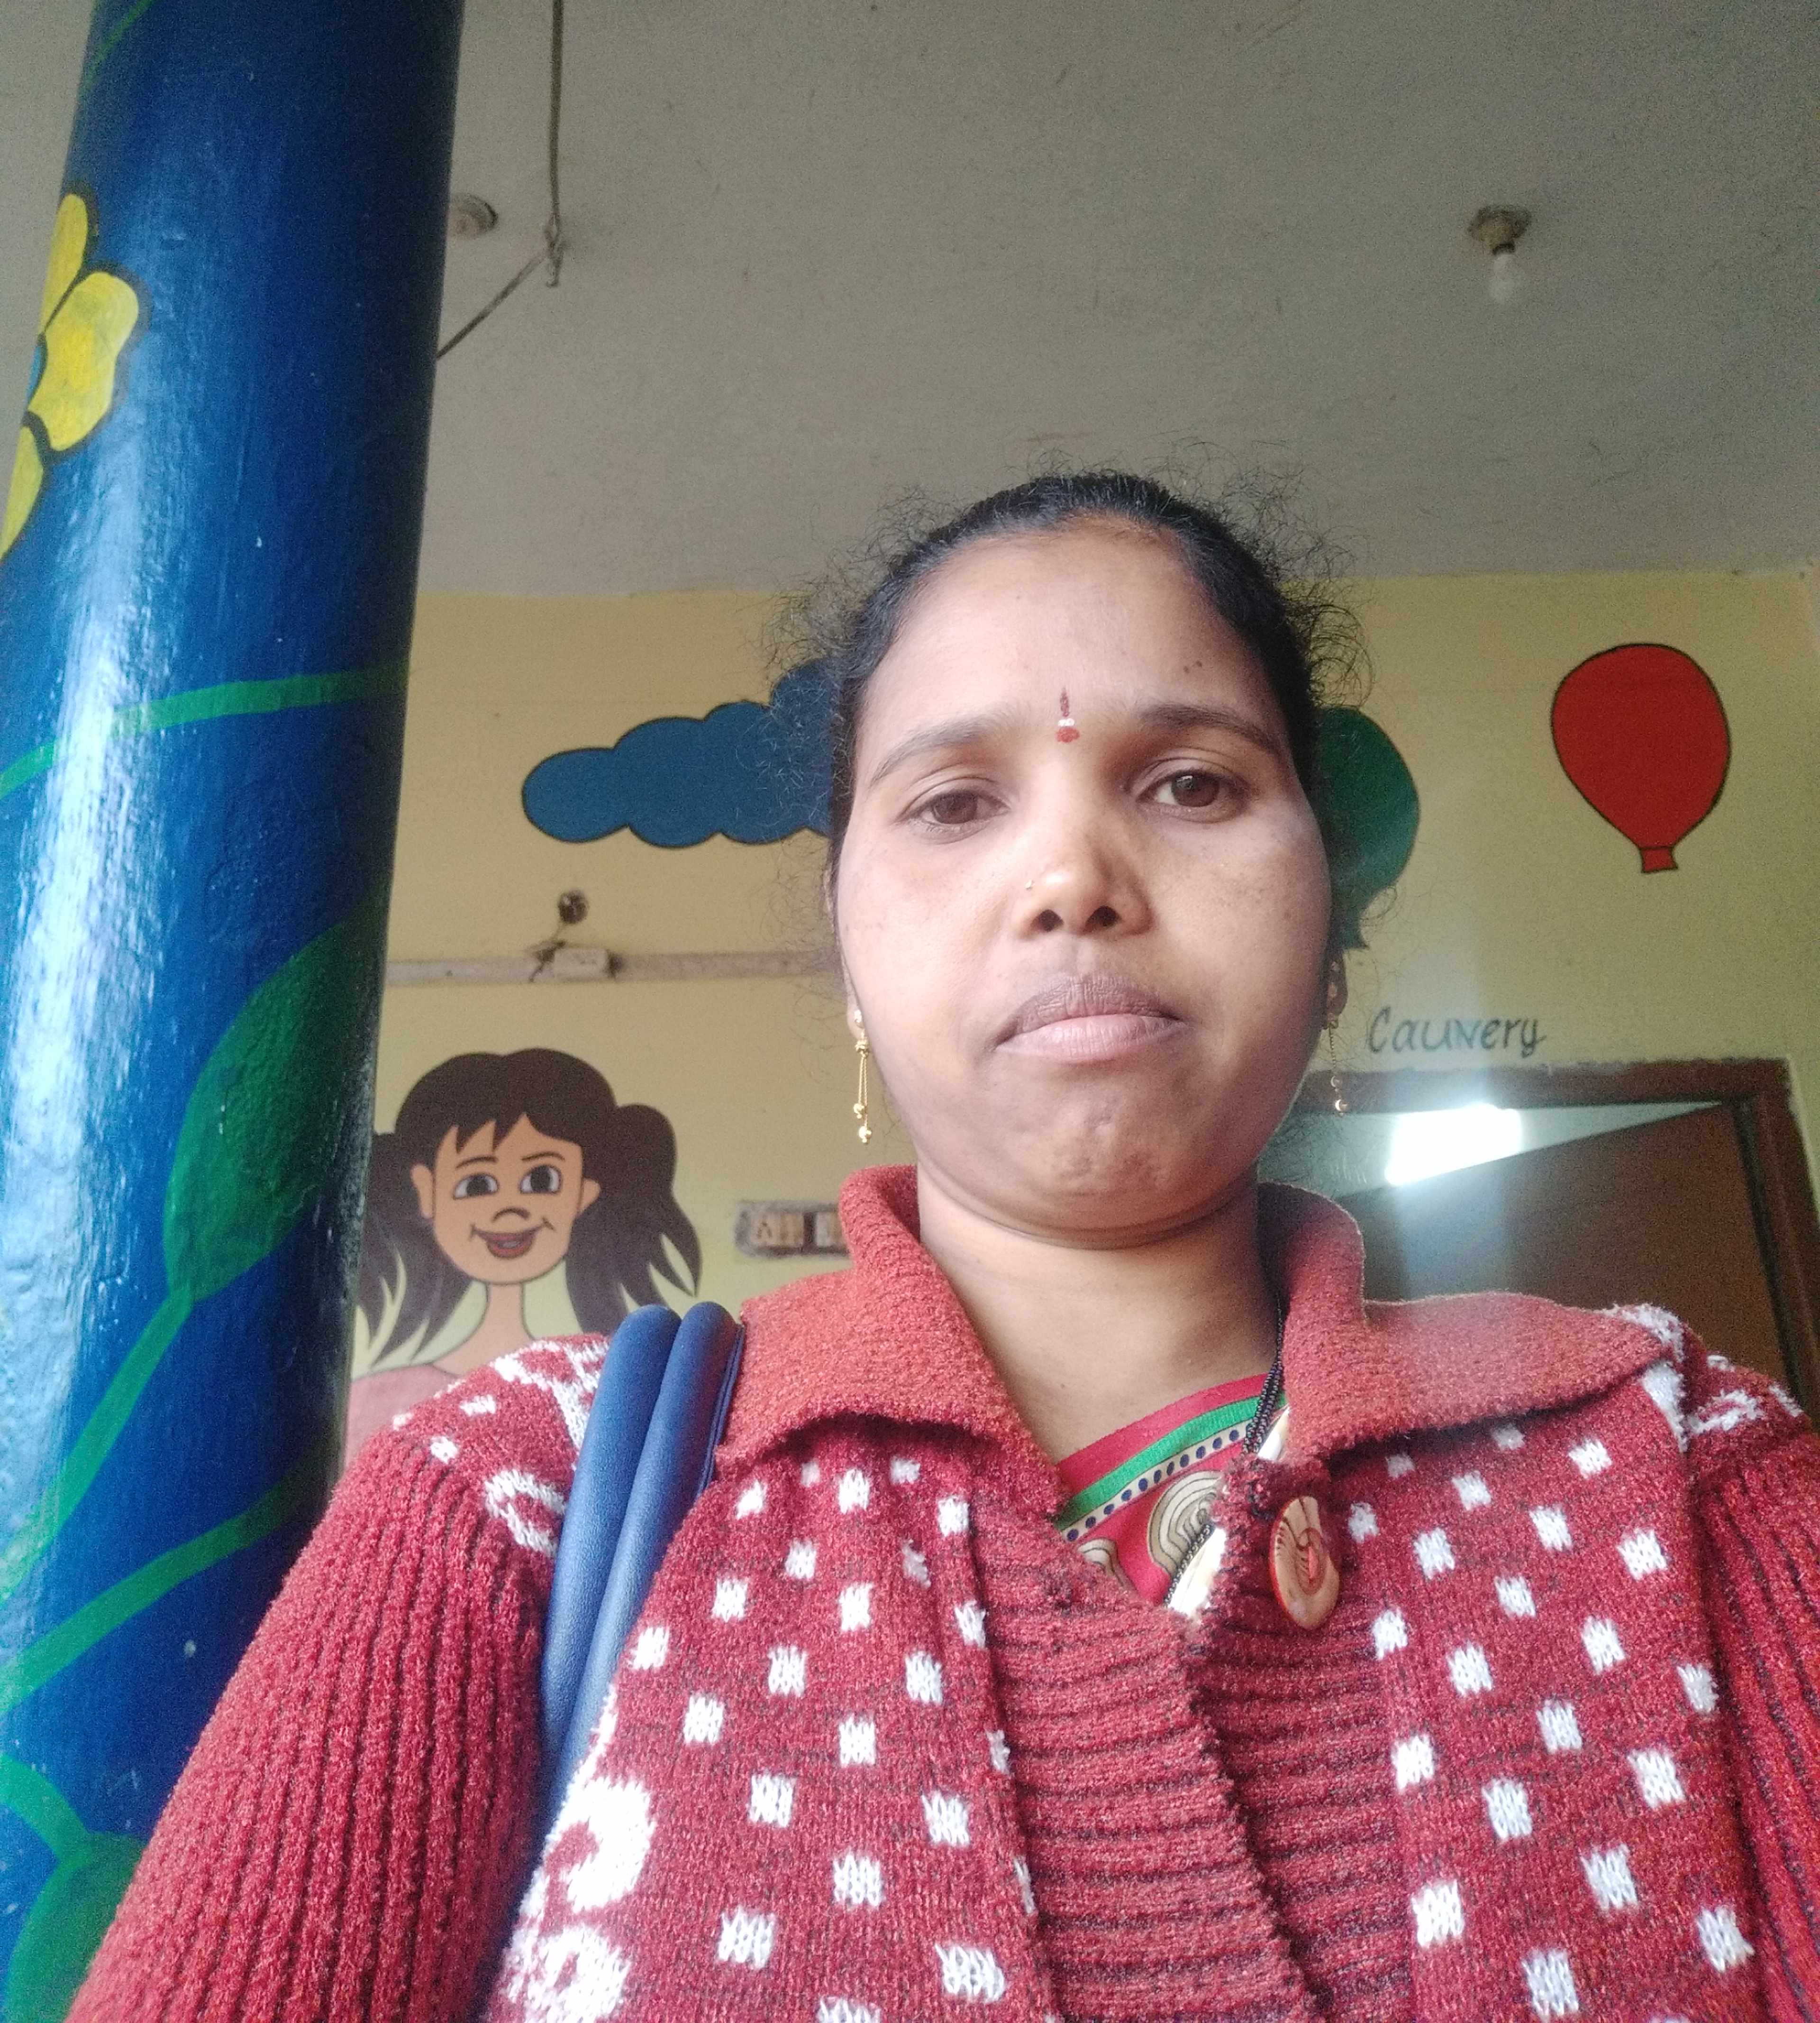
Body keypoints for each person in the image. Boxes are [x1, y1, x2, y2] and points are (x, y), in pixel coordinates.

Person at [73, 472, 1820, 2023]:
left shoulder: (1677, 1458)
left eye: (1192, 780)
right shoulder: (512, 1493)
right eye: (953, 801)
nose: (1073, 873)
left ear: (1333, 929)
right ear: (847, 956)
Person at [345, 1048, 703, 1462]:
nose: (510, 1209)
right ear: (427, 1190)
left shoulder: (613, 1396)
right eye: (477, 1184)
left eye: (542, 1180)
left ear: (583, 1194)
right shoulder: (381, 1402)